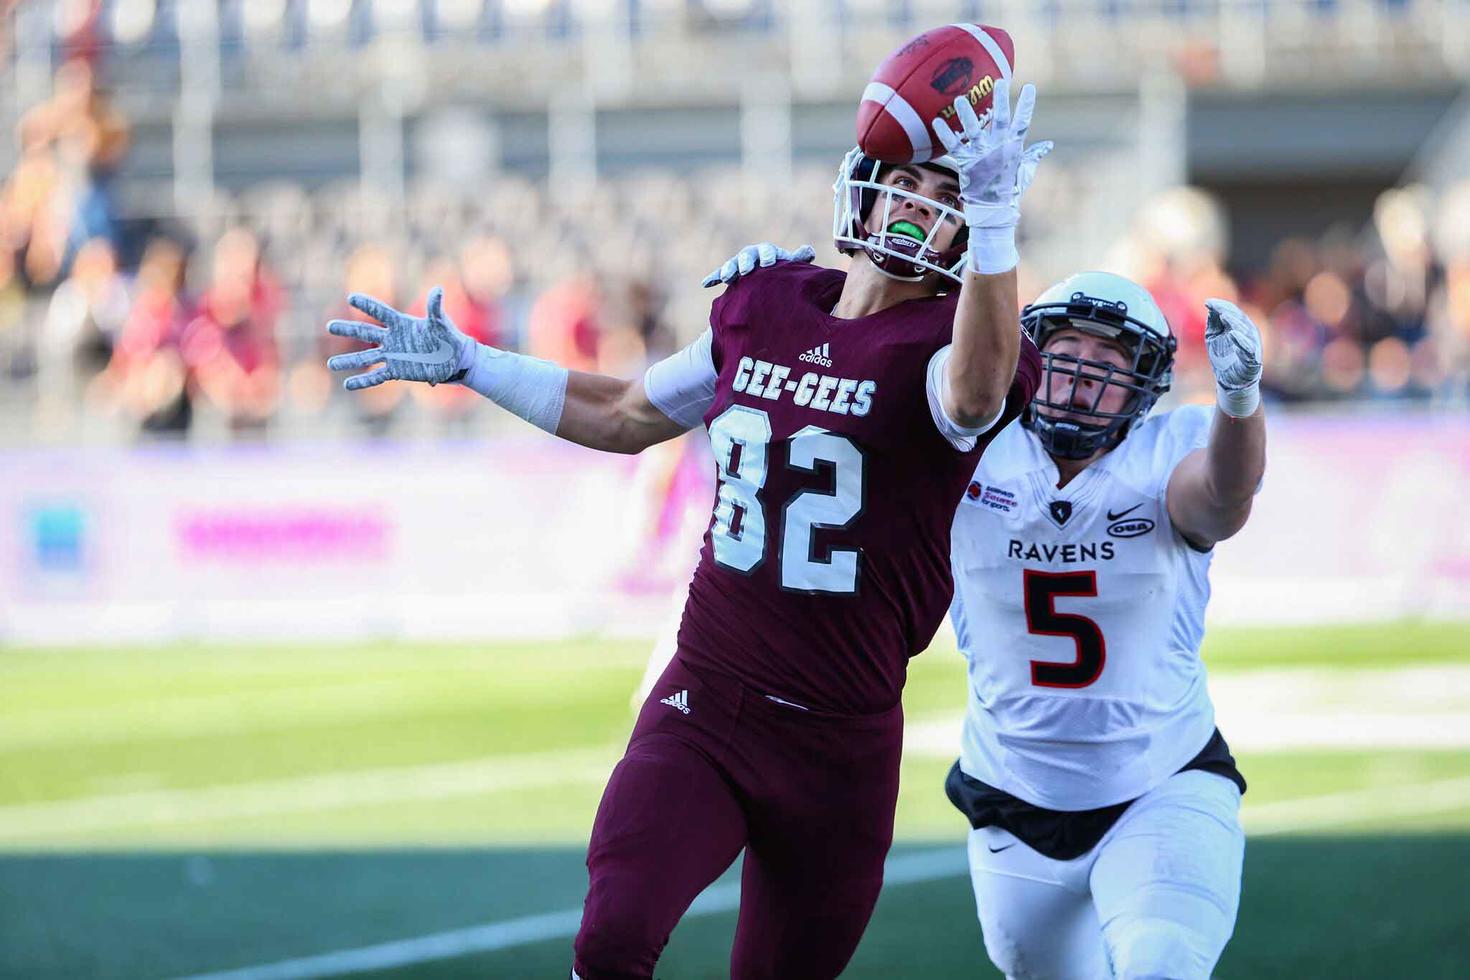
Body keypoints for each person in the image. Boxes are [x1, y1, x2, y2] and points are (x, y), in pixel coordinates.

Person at [326, 80, 1050, 979]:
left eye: (952, 202)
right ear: (864, 181)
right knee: (612, 939)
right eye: (912, 183)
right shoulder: (767, 304)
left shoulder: (954, 343)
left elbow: (978, 393)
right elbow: (627, 412)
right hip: (705, 699)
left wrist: (995, 218)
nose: (922, 212)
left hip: (842, 743)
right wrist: (476, 362)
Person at [945, 273, 1266, 979]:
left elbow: (1220, 499)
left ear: (1144, 388)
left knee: (1160, 965)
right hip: (1011, 795)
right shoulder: (969, 449)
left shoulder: (1166, 453)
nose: (1079, 382)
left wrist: (1239, 402)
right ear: (1029, 359)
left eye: (1108, 366)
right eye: (1067, 355)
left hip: (1161, 780)